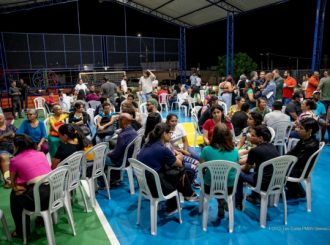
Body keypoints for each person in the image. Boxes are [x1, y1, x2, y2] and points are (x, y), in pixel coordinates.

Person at [137, 123, 197, 215]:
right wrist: (180, 156)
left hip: (144, 185)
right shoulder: (162, 149)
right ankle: (175, 205)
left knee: (173, 170)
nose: (171, 135)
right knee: (181, 169)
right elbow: (179, 163)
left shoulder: (147, 145)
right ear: (164, 134)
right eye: (170, 133)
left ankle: (188, 194)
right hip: (156, 187)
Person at [9, 134, 51, 239]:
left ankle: (21, 232)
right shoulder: (41, 154)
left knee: (14, 195)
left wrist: (16, 189)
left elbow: (13, 183)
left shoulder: (14, 161)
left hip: (39, 198)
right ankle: (41, 219)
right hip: (54, 193)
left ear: (16, 146)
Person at [200, 123, 240, 219]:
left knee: (208, 175)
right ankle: (221, 201)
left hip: (210, 187)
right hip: (229, 187)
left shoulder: (206, 150)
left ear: (214, 135)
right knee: (225, 179)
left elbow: (201, 166)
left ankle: (221, 202)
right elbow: (236, 167)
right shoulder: (235, 151)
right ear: (228, 135)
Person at [235, 125, 279, 209]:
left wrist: (235, 168)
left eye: (253, 136)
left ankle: (238, 203)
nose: (250, 137)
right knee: (256, 172)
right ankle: (253, 197)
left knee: (238, 174)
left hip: (263, 183)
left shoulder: (255, 151)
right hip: (277, 181)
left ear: (260, 138)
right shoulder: (273, 147)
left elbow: (246, 169)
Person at [286, 118, 320, 198]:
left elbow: (298, 161)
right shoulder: (305, 140)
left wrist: (284, 163)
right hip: (299, 167)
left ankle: (296, 192)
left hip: (301, 170)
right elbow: (292, 152)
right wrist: (283, 158)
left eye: (301, 128)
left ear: (309, 131)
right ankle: (296, 191)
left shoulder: (310, 145)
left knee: (276, 169)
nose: (297, 130)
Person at [105, 113, 138, 185]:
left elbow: (115, 154)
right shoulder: (134, 131)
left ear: (123, 121)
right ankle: (116, 178)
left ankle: (108, 181)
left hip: (122, 161)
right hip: (132, 159)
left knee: (102, 158)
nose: (118, 122)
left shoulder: (122, 136)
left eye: (119, 121)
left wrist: (107, 154)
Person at [0, 113, 16, 188]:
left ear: (4, 118)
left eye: (1, 118)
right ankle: (8, 181)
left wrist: (13, 135)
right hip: (2, 149)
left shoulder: (10, 126)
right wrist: (4, 136)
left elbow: (17, 134)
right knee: (4, 157)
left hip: (14, 148)